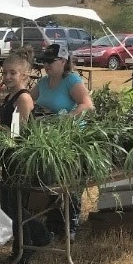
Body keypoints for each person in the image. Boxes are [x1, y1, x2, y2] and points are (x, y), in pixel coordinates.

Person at [0, 48, 52, 264]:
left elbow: (16, 136)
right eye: (5, 73)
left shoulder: (23, 99)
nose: (7, 77)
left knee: (15, 205)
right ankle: (37, 237)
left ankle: (27, 246)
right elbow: (6, 123)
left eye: (13, 73)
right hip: (8, 158)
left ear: (25, 76)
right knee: (10, 204)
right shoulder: (8, 97)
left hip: (19, 158)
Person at [31, 42, 92, 240]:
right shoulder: (42, 83)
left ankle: (71, 226)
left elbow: (87, 105)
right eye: (44, 62)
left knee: (70, 183)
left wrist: (70, 116)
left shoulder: (71, 80)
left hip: (70, 140)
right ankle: (54, 223)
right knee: (51, 183)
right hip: (47, 140)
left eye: (50, 61)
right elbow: (26, 100)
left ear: (63, 61)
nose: (46, 65)